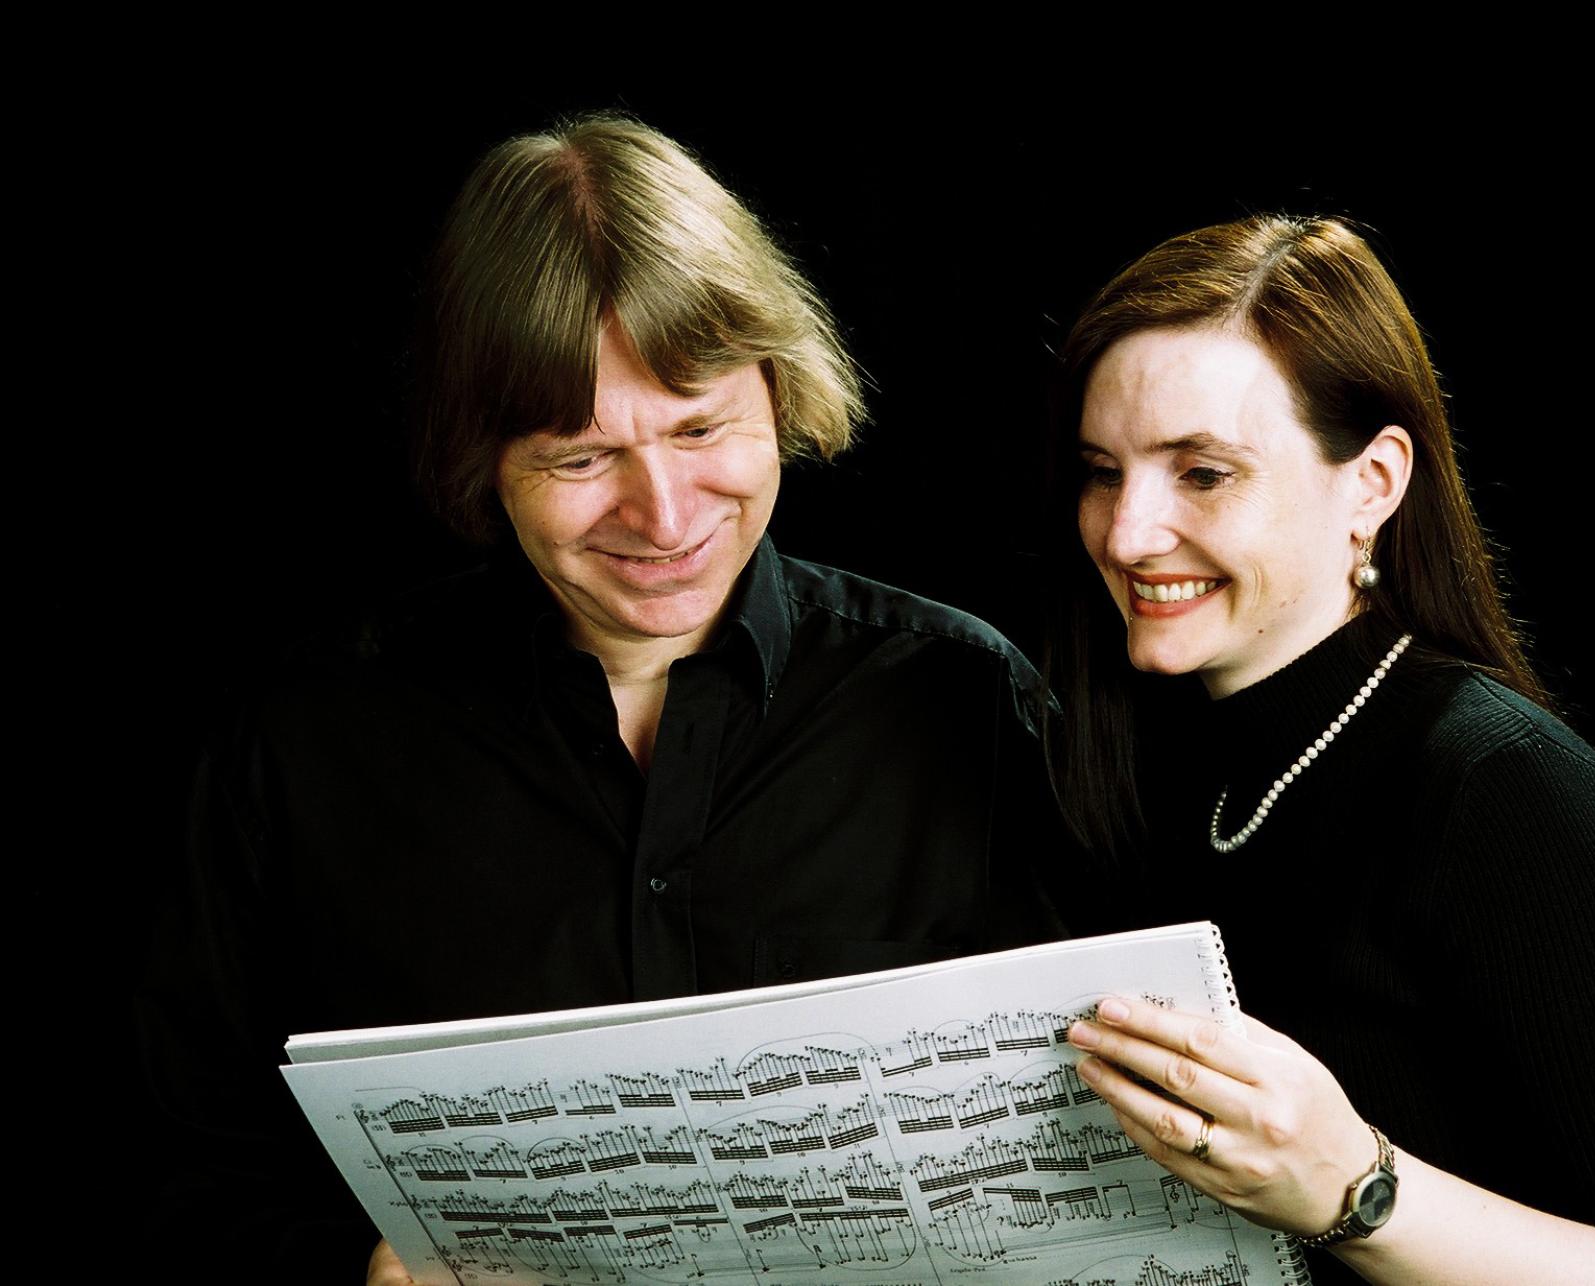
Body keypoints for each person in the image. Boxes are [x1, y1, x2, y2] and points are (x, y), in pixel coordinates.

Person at [137, 114, 1061, 1282]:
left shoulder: (970, 701)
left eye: (702, 428)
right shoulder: (306, 742)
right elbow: (180, 1171)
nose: (666, 518)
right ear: (486, 457)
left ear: (779, 392)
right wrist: (362, 1272)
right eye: (581, 458)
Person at [1043, 216, 1595, 1284]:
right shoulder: (1150, 767)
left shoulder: (1507, 795)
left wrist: (1358, 1186)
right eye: (1101, 471)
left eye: (1202, 473)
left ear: (1374, 483)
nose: (1125, 533)